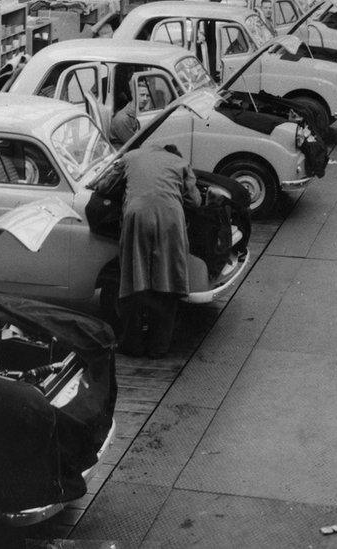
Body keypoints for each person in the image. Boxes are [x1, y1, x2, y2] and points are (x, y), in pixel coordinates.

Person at [117, 143, 201, 358]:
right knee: (167, 281)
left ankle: (132, 345)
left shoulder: (131, 156)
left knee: (134, 280)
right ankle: (159, 348)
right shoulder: (181, 163)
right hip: (170, 219)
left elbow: (105, 185)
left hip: (137, 216)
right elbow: (195, 201)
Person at [110, 80, 151, 146]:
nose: (145, 99)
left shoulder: (135, 113)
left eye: (148, 96)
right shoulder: (123, 119)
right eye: (142, 95)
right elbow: (134, 145)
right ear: (133, 96)